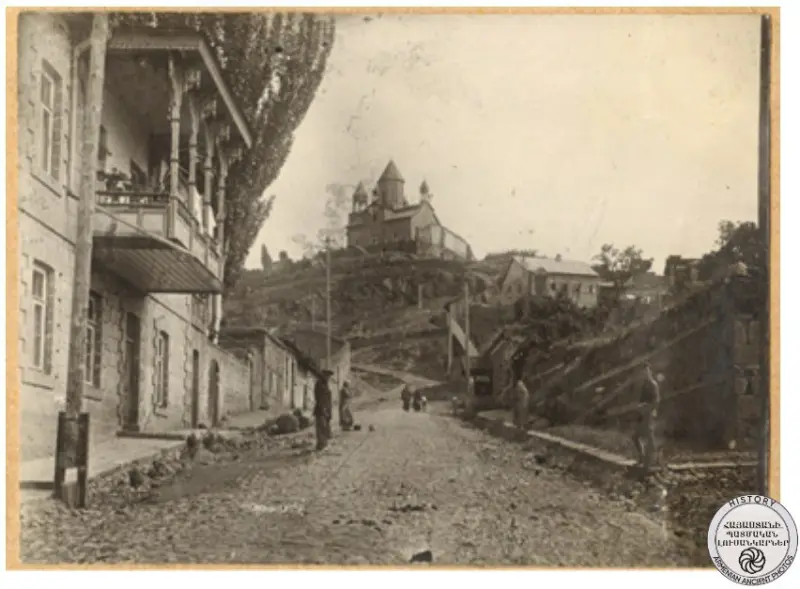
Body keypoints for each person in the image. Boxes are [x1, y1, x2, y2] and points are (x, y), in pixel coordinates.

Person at [633, 362, 661, 470]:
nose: (645, 373)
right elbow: (641, 399)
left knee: (649, 437)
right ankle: (642, 457)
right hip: (642, 413)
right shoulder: (644, 384)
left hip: (649, 413)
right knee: (636, 437)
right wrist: (639, 406)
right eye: (643, 372)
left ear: (650, 372)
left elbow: (656, 400)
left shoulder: (653, 384)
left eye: (647, 371)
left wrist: (651, 410)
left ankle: (651, 460)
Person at [314, 369, 334, 450]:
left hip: (326, 409)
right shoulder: (320, 384)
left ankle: (323, 444)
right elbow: (320, 398)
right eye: (327, 376)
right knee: (321, 427)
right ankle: (321, 445)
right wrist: (324, 409)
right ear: (323, 375)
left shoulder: (325, 384)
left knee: (324, 427)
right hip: (321, 409)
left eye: (329, 376)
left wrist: (329, 411)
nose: (328, 378)